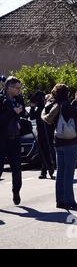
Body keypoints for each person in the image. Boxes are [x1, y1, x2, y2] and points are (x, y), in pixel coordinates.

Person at [42, 84, 77, 210]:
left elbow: (68, 111)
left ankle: (60, 200)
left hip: (58, 142)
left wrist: (76, 101)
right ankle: (69, 201)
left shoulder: (55, 105)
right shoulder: (66, 106)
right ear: (66, 94)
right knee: (69, 173)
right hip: (70, 142)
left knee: (61, 172)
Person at [0, 77, 26, 205]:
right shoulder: (1, 99)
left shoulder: (18, 99)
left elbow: (25, 114)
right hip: (2, 139)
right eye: (17, 88)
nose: (19, 90)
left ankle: (16, 191)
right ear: (9, 88)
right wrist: (12, 112)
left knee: (17, 169)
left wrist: (21, 112)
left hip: (15, 138)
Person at [30, 91, 55, 179]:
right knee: (42, 153)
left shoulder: (48, 108)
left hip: (48, 133)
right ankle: (44, 171)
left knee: (48, 152)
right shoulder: (39, 109)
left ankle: (50, 170)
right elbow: (32, 116)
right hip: (40, 133)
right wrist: (32, 106)